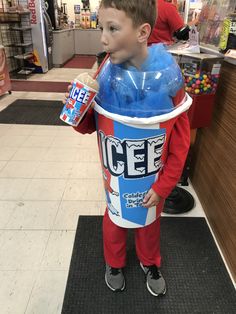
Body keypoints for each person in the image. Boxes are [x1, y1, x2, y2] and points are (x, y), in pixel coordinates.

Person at [66, 0, 190, 297]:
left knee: (149, 223)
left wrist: (164, 186)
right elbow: (86, 126)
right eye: (101, 28)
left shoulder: (169, 81)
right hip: (117, 176)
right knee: (115, 219)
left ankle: (150, 262)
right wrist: (80, 99)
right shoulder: (105, 75)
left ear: (143, 32)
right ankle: (114, 262)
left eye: (113, 28)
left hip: (152, 180)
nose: (102, 38)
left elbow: (181, 142)